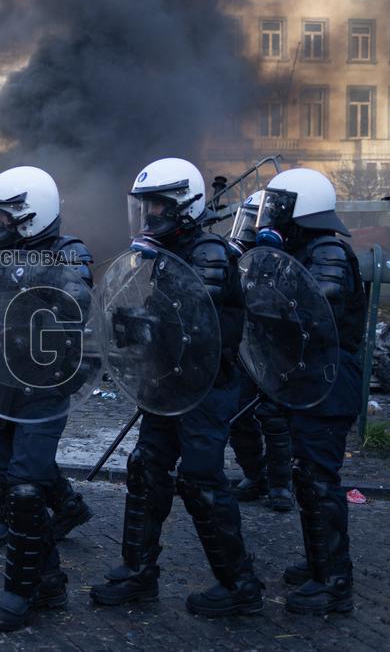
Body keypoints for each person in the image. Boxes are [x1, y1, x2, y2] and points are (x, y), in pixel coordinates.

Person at [90, 158, 263, 617]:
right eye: (145, 206)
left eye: (160, 206)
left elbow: (197, 325)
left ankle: (240, 585)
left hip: (204, 389)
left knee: (202, 481)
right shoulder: (166, 253)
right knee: (145, 469)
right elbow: (161, 315)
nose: (150, 216)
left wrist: (149, 326)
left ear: (185, 206)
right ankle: (139, 573)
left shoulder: (209, 254)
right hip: (165, 383)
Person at [0, 166, 94, 631]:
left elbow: (74, 300)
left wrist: (16, 275)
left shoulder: (69, 254)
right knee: (9, 469)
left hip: (43, 386)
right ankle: (50, 578)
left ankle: (23, 590)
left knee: (27, 486)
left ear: (30, 217)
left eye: (4, 219)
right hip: (0, 380)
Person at [252, 168, 365, 615]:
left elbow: (317, 307)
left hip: (330, 380)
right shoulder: (304, 248)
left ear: (304, 210)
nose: (271, 217)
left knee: (321, 481)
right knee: (307, 478)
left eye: (279, 208)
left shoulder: (329, 250)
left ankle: (335, 583)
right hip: (308, 378)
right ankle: (321, 560)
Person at [226, 190, 293, 512]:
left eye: (257, 222)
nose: (250, 230)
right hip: (245, 345)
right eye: (248, 222)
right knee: (237, 412)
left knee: (273, 416)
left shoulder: (289, 258)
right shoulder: (238, 259)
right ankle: (255, 475)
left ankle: (281, 485)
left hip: (278, 350)